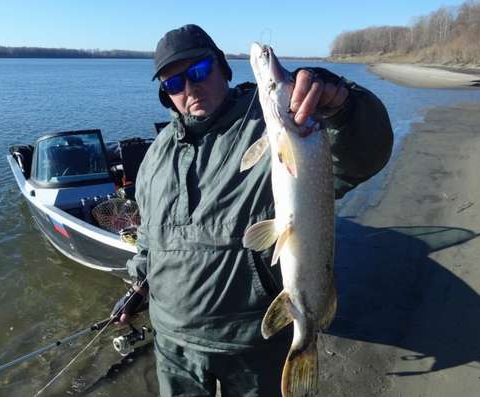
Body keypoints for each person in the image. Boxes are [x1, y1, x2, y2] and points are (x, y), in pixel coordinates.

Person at [113, 24, 393, 396]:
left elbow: (361, 155)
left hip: (249, 347)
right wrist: (138, 285)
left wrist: (343, 105)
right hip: (173, 346)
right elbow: (151, 234)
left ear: (222, 69)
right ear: (166, 95)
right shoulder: (156, 155)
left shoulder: (275, 124)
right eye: (174, 84)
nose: (189, 88)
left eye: (198, 72)